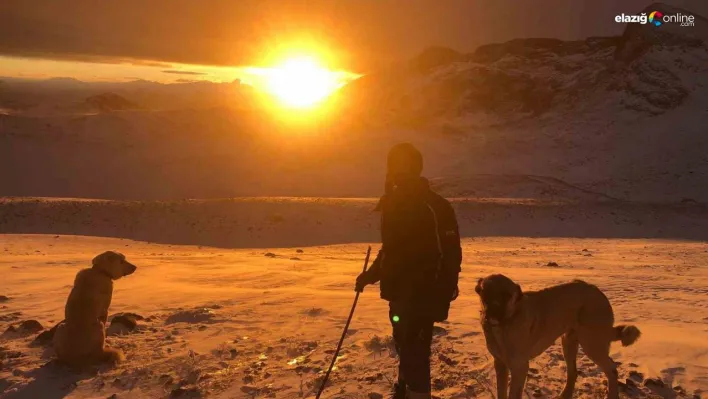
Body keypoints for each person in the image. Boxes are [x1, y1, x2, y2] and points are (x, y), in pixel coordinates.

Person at [356, 143, 462, 399]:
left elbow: (450, 252)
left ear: (415, 168)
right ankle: (404, 388)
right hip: (398, 293)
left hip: (424, 293)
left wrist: (445, 290)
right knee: (403, 342)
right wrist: (369, 276)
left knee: (416, 351)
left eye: (404, 166)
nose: (397, 172)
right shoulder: (392, 204)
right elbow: (389, 250)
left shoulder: (435, 207)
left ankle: (418, 393)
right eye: (394, 166)